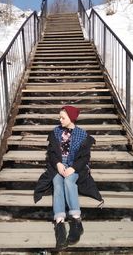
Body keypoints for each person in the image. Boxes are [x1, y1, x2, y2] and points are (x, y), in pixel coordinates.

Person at [34, 105, 104, 249]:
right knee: (57, 183)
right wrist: (58, 164)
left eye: (63, 117)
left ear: (71, 118)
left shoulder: (82, 135)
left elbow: (85, 157)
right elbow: (52, 153)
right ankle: (59, 223)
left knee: (69, 181)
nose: (60, 120)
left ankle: (76, 220)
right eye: (59, 117)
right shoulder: (55, 132)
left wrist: (73, 168)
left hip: (75, 168)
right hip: (58, 167)